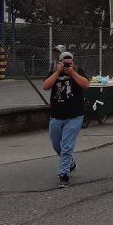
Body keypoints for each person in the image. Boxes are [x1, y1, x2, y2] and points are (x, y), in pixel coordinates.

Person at [43, 52, 89, 188]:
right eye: (64, 62)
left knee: (66, 146)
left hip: (74, 116)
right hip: (56, 116)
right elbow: (46, 86)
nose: (67, 64)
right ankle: (71, 163)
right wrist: (57, 72)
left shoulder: (78, 70)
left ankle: (64, 175)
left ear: (73, 61)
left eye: (70, 62)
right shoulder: (53, 72)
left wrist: (72, 72)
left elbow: (86, 85)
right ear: (59, 62)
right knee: (57, 145)